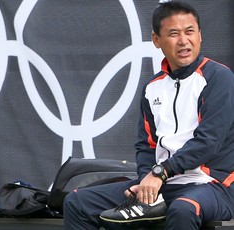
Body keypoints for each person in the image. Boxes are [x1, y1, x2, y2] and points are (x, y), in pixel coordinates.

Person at [63, 1, 234, 230]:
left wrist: (159, 173)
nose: (184, 41)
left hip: (214, 185)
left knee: (183, 209)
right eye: (174, 34)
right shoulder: (152, 87)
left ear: (200, 35)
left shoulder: (219, 77)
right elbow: (146, 147)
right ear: (156, 40)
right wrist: (145, 183)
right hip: (164, 183)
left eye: (189, 32)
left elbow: (208, 142)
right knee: (77, 202)